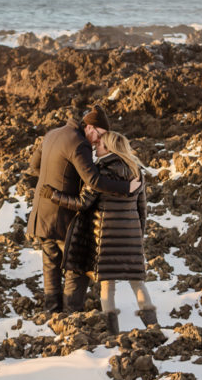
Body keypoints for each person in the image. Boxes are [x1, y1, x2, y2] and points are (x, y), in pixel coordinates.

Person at [26, 105, 141, 314]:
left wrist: (55, 178)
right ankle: (72, 315)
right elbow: (94, 179)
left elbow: (34, 167)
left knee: (50, 264)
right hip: (63, 216)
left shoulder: (52, 134)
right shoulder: (79, 144)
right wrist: (126, 188)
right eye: (100, 135)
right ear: (90, 127)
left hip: (40, 213)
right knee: (75, 268)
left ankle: (52, 312)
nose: (99, 141)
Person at [49, 130, 157, 334]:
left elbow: (82, 203)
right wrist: (138, 236)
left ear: (108, 148)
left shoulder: (101, 173)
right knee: (138, 284)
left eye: (99, 145)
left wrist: (54, 196)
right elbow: (142, 209)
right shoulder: (136, 171)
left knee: (108, 287)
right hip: (131, 238)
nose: (95, 147)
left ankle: (113, 332)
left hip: (106, 238)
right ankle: (153, 326)